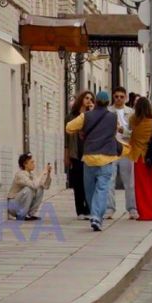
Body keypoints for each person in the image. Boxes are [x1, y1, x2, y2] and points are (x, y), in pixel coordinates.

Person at [65, 91, 121, 232]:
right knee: (102, 189)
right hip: (107, 158)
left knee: (89, 190)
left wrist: (82, 129)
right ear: (108, 103)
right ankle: (97, 216)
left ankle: (94, 215)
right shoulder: (113, 117)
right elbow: (116, 130)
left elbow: (69, 127)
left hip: (89, 158)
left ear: (95, 102)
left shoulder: (86, 116)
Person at [127, 97, 152, 221]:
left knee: (141, 186)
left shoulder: (133, 120)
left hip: (139, 157)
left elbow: (130, 132)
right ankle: (151, 211)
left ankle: (144, 213)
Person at [108, 87, 138, 220]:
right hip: (111, 148)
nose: (119, 99)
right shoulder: (108, 111)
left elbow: (135, 132)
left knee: (129, 181)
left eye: (121, 96)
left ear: (125, 98)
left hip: (126, 148)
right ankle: (109, 208)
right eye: (116, 96)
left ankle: (132, 208)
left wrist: (123, 131)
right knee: (110, 180)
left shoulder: (131, 113)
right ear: (113, 97)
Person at [65, 91, 96, 219]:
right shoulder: (71, 116)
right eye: (86, 98)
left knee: (89, 183)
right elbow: (67, 138)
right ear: (81, 99)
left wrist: (93, 113)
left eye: (91, 99)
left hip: (89, 153)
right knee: (78, 183)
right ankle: (80, 211)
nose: (89, 101)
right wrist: (66, 155)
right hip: (76, 152)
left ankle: (89, 209)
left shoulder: (92, 116)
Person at [7, 154, 52, 220]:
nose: (34, 164)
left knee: (40, 188)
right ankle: (21, 215)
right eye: (31, 162)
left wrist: (48, 174)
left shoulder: (32, 175)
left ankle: (30, 214)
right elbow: (34, 185)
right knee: (28, 189)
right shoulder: (20, 174)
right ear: (25, 164)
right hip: (13, 205)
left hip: (20, 203)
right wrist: (42, 173)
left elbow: (46, 186)